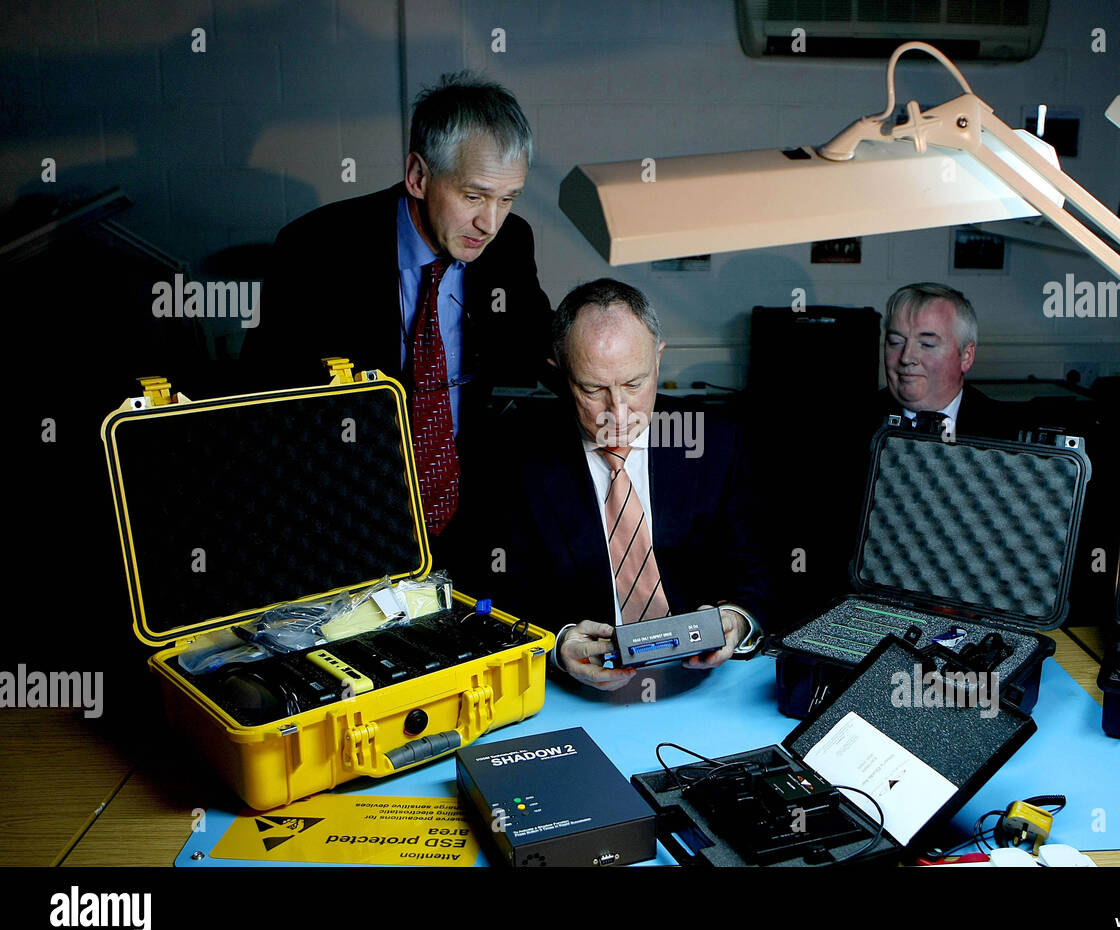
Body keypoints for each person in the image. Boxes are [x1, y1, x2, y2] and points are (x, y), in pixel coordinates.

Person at [242, 71, 552, 546]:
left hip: (464, 506)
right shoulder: (315, 249)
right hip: (344, 508)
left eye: (506, 199)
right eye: (473, 196)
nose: (489, 223)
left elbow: (538, 344)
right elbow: (262, 396)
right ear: (418, 176)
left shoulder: (510, 244)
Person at [471, 279, 769, 692]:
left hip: (705, 684)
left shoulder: (716, 441)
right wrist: (556, 646)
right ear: (559, 374)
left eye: (635, 384)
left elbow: (756, 567)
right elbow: (493, 591)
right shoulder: (514, 457)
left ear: (658, 360)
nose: (619, 412)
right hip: (576, 694)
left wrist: (737, 619)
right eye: (593, 389)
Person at [878, 282, 1010, 438]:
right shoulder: (849, 423)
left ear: (966, 356)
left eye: (927, 345)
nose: (906, 358)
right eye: (895, 342)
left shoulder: (1005, 431)